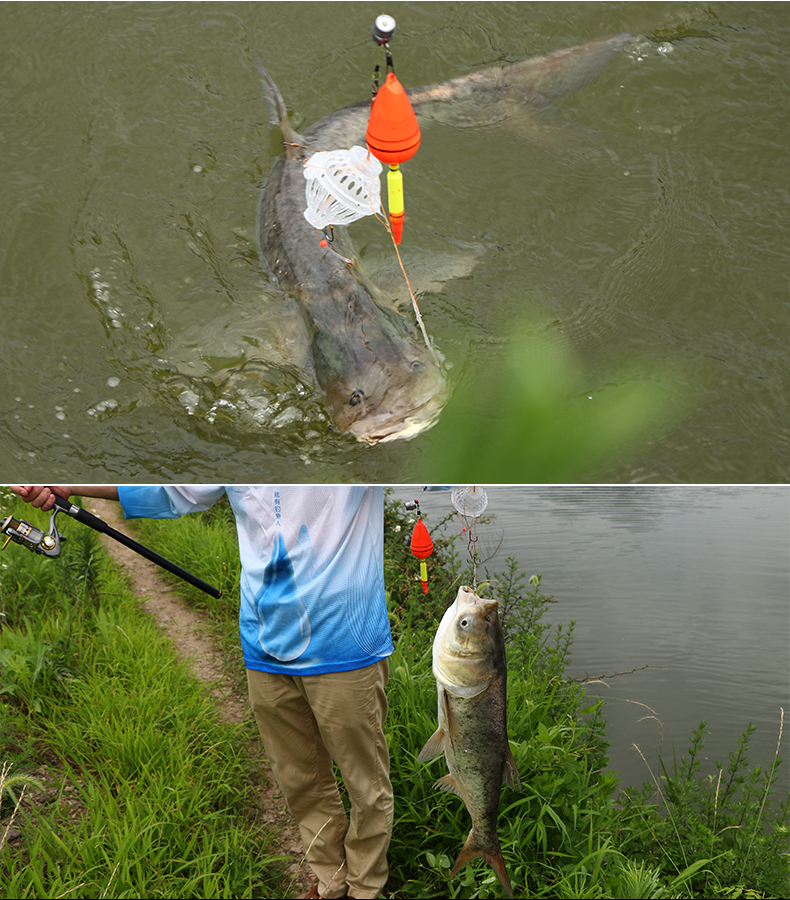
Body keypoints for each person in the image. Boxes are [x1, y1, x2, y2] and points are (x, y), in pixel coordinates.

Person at [10, 485, 394, 900]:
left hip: (347, 646)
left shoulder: (357, 447)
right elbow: (171, 491)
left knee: (365, 783)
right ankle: (331, 881)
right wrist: (67, 484)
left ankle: (366, 888)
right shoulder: (233, 439)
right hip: (264, 643)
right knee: (300, 780)